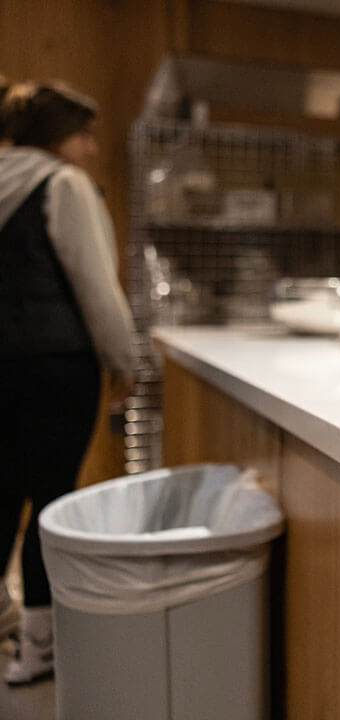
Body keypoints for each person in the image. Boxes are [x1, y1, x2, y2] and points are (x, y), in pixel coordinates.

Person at [0, 82, 137, 683]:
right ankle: (38, 648)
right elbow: (96, 287)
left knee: (0, 496)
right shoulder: (62, 184)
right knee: (51, 497)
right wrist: (124, 359)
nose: (90, 147)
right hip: (55, 366)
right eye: (85, 134)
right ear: (58, 136)